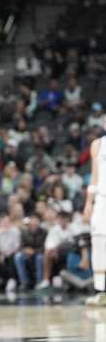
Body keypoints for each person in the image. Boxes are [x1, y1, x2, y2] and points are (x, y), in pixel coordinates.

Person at [83, 124, 106, 305]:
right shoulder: (97, 144)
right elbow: (94, 175)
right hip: (101, 201)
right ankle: (100, 291)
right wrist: (88, 203)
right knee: (98, 244)